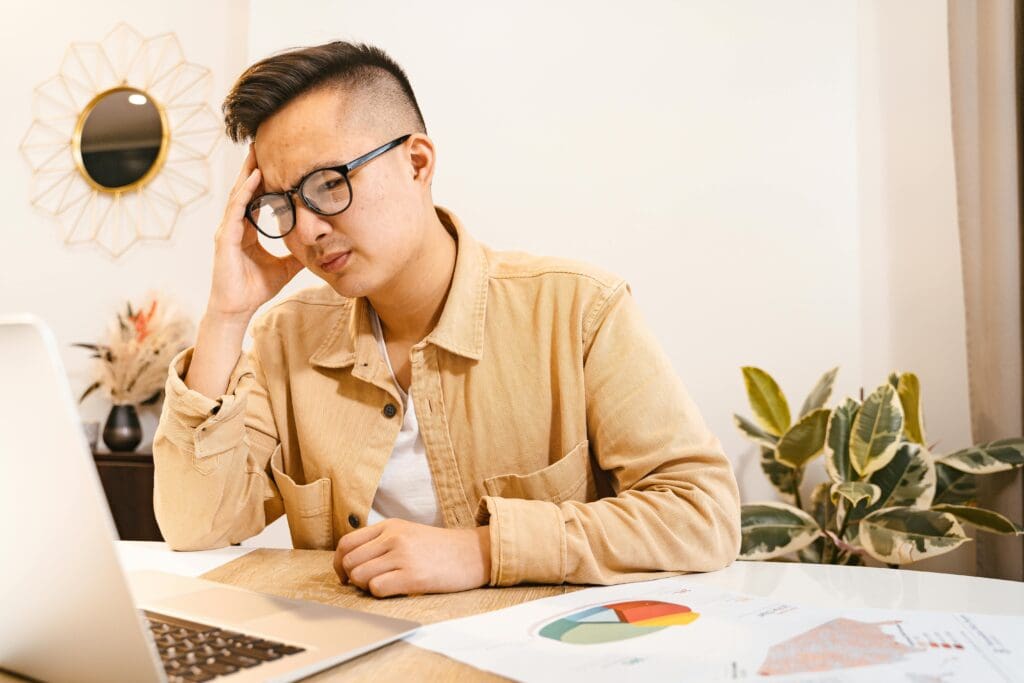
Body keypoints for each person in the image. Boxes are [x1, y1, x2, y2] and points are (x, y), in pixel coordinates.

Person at [152, 41, 740, 598]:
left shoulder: (577, 309)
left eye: (329, 184)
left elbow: (701, 512)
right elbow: (193, 523)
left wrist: (483, 552)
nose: (305, 232)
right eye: (281, 205)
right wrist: (226, 316)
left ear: (416, 162)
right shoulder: (285, 337)